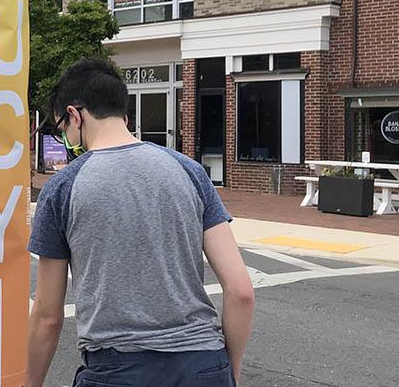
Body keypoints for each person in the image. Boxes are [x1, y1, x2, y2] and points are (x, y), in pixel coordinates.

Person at [26, 58, 255, 387]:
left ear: (75, 116)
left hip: (116, 369)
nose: (65, 138)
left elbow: (47, 317)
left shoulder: (62, 189)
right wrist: (224, 372)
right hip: (203, 362)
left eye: (63, 129)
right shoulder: (190, 172)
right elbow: (241, 292)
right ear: (124, 115)